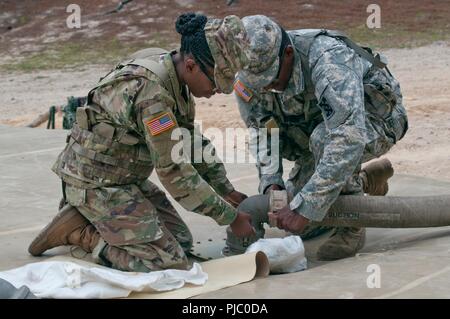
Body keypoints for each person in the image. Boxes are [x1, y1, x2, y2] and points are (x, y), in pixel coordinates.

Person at [28, 13, 255, 272]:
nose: (216, 91)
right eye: (215, 82)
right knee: (166, 262)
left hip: (123, 178)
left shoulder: (173, 73)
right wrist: (230, 217)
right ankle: (81, 232)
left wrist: (226, 190)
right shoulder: (152, 96)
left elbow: (190, 141)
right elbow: (175, 173)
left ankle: (87, 216)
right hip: (95, 183)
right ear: (191, 65)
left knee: (181, 243)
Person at [204, 14, 408, 260]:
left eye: (271, 80)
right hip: (314, 130)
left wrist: (307, 206)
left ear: (288, 53)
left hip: (374, 122)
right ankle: (366, 181)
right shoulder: (250, 73)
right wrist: (271, 183)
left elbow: (347, 137)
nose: (266, 88)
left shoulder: (329, 59)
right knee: (304, 219)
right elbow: (263, 131)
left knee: (311, 195)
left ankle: (353, 224)